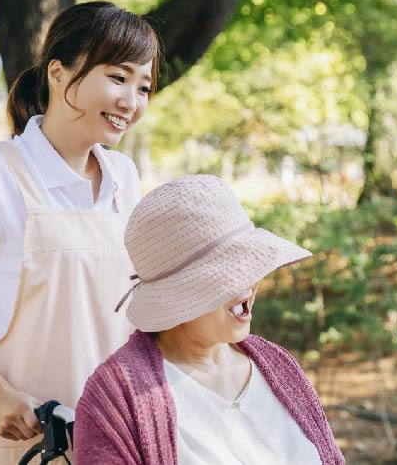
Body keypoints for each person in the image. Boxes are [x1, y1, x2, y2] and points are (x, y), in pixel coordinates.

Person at [0, 1, 160, 464]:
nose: (132, 101)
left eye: (144, 86)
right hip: (27, 438)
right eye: (118, 78)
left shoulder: (125, 175)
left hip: (119, 433)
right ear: (59, 73)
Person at [74, 175, 345, 464]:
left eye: (249, 267)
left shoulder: (276, 364)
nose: (248, 286)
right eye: (228, 274)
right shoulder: (116, 399)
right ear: (176, 292)